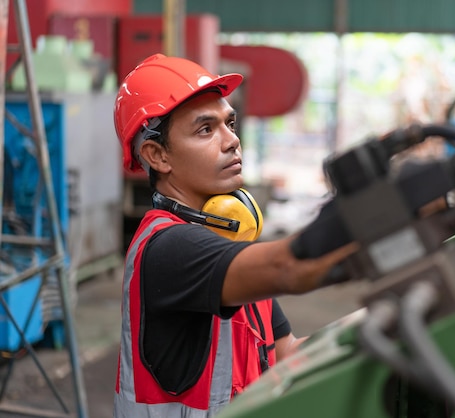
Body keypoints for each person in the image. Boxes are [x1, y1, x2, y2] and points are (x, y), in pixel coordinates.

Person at [112, 53, 356, 417]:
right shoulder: (170, 249)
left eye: (230, 123)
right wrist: (367, 217)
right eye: (205, 129)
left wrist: (364, 329)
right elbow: (289, 268)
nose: (232, 142)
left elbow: (284, 352)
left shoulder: (229, 248)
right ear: (158, 155)